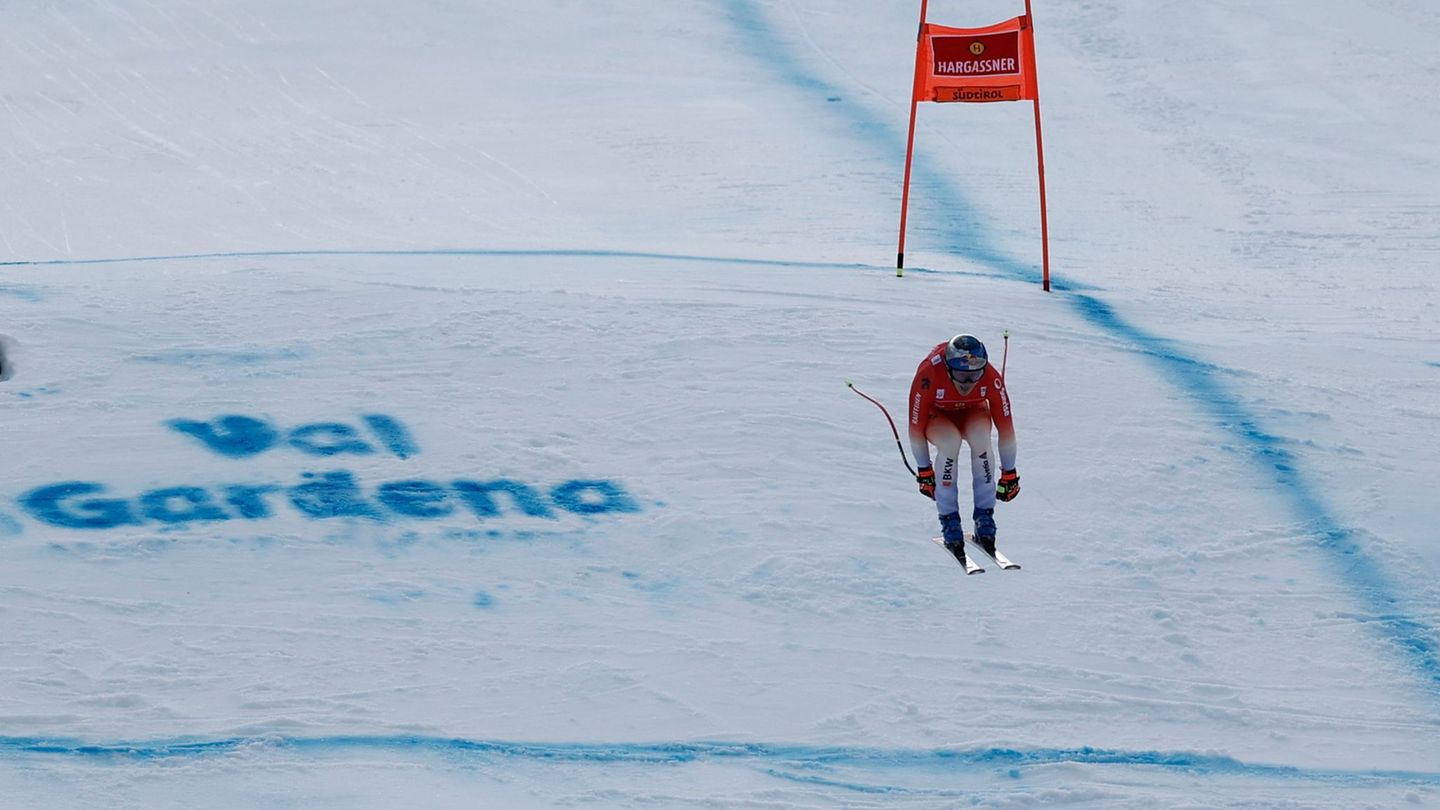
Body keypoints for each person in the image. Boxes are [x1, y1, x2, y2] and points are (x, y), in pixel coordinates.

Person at [907, 334, 1020, 561]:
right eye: (960, 375)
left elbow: (1006, 429)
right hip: (938, 415)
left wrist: (1009, 472)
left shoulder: (991, 377)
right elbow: (915, 428)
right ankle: (949, 520)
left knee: (982, 440)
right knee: (950, 443)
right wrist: (924, 470)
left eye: (974, 375)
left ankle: (984, 518)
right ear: (948, 369)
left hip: (972, 412)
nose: (967, 383)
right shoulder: (930, 374)